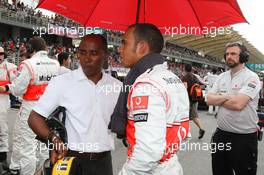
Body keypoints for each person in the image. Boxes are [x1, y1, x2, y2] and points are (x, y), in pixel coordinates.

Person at [28, 34, 121, 175]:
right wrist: (54, 139)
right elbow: (34, 118)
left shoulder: (118, 87)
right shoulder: (62, 83)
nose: (87, 58)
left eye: (94, 53)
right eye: (82, 52)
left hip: (104, 164)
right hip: (70, 161)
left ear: (106, 55)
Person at [115, 23, 189, 175]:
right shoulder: (172, 78)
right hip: (171, 165)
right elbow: (184, 133)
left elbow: (148, 153)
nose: (119, 49)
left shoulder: (146, 85)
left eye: (124, 43)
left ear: (141, 47)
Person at [0, 37, 60, 175]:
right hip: (49, 109)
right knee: (45, 145)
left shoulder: (28, 64)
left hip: (31, 109)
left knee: (28, 146)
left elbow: (18, 89)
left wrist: (7, 88)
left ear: (31, 49)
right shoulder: (55, 64)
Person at [207, 42, 260, 175]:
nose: (229, 57)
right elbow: (208, 99)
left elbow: (238, 105)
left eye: (233, 54)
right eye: (227, 54)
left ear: (243, 57)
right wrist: (229, 96)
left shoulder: (252, 77)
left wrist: (219, 98)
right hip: (221, 134)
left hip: (244, 138)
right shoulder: (221, 77)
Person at [0, 46, 17, 170]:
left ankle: (3, 157)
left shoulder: (10, 67)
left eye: (1, 53)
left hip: (3, 100)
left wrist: (4, 88)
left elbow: (16, 84)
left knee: (2, 128)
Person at [182, 64, 205, 139]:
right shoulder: (195, 77)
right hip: (195, 99)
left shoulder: (185, 77)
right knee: (194, 116)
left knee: (185, 116)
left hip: (188, 99)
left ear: (185, 69)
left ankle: (186, 133)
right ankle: (201, 128)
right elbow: (201, 85)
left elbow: (185, 88)